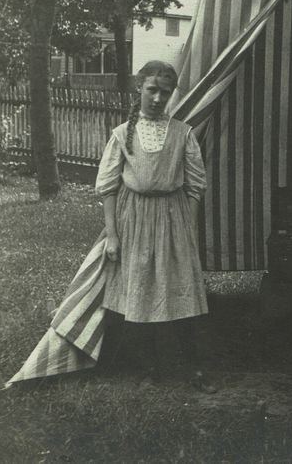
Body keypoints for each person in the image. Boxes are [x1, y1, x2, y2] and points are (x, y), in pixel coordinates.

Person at [95, 60, 215, 392]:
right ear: (139, 89)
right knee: (141, 294)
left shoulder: (183, 133)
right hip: (134, 219)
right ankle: (148, 369)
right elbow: (107, 187)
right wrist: (113, 235)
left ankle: (195, 370)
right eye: (152, 90)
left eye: (165, 92)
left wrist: (187, 228)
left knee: (183, 295)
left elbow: (195, 185)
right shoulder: (122, 134)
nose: (158, 98)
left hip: (173, 218)